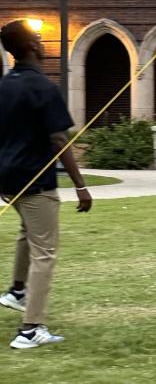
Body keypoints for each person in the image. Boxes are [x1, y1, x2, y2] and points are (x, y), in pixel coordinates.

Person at [0, 20, 92, 349]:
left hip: (8, 179)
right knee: (46, 253)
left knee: (29, 233)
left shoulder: (4, 85)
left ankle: (17, 291)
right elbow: (58, 139)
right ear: (33, 47)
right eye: (38, 38)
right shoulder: (44, 88)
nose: (42, 42)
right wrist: (80, 185)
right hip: (36, 181)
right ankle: (30, 330)